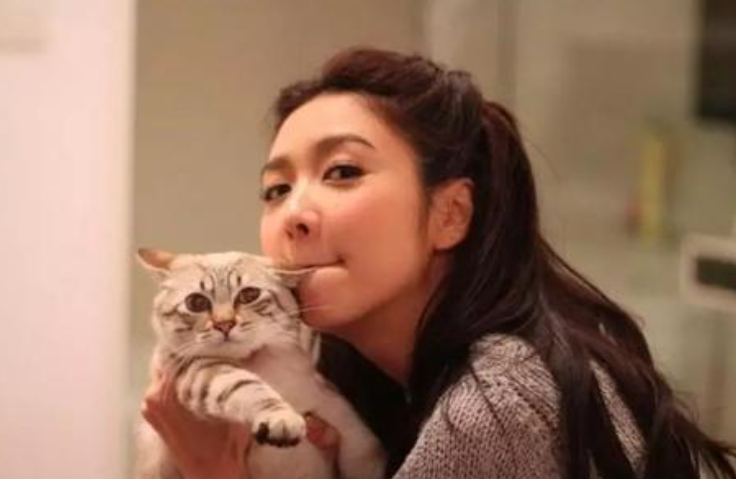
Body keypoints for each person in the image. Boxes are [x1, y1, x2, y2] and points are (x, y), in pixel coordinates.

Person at [142, 47, 736, 479]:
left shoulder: (497, 409)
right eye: (276, 190)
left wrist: (214, 473)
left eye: (342, 171)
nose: (293, 214)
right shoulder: (373, 379)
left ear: (451, 214)